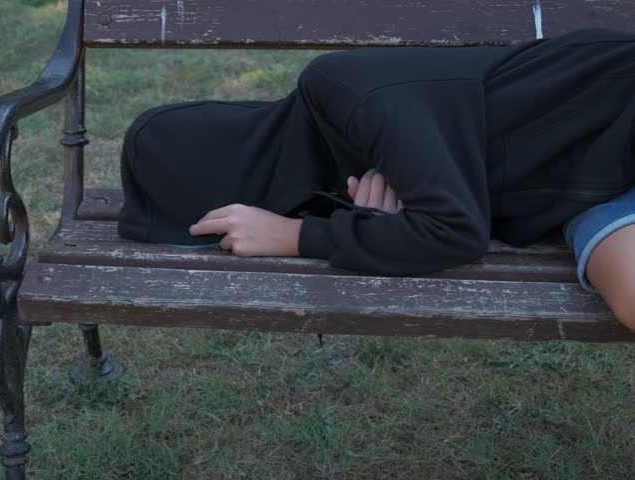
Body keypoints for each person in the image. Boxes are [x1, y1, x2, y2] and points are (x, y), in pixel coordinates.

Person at [117, 28, 635, 330]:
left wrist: (298, 236)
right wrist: (379, 226)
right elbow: (449, 221)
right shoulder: (340, 168)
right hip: (594, 188)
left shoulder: (346, 91)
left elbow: (454, 232)